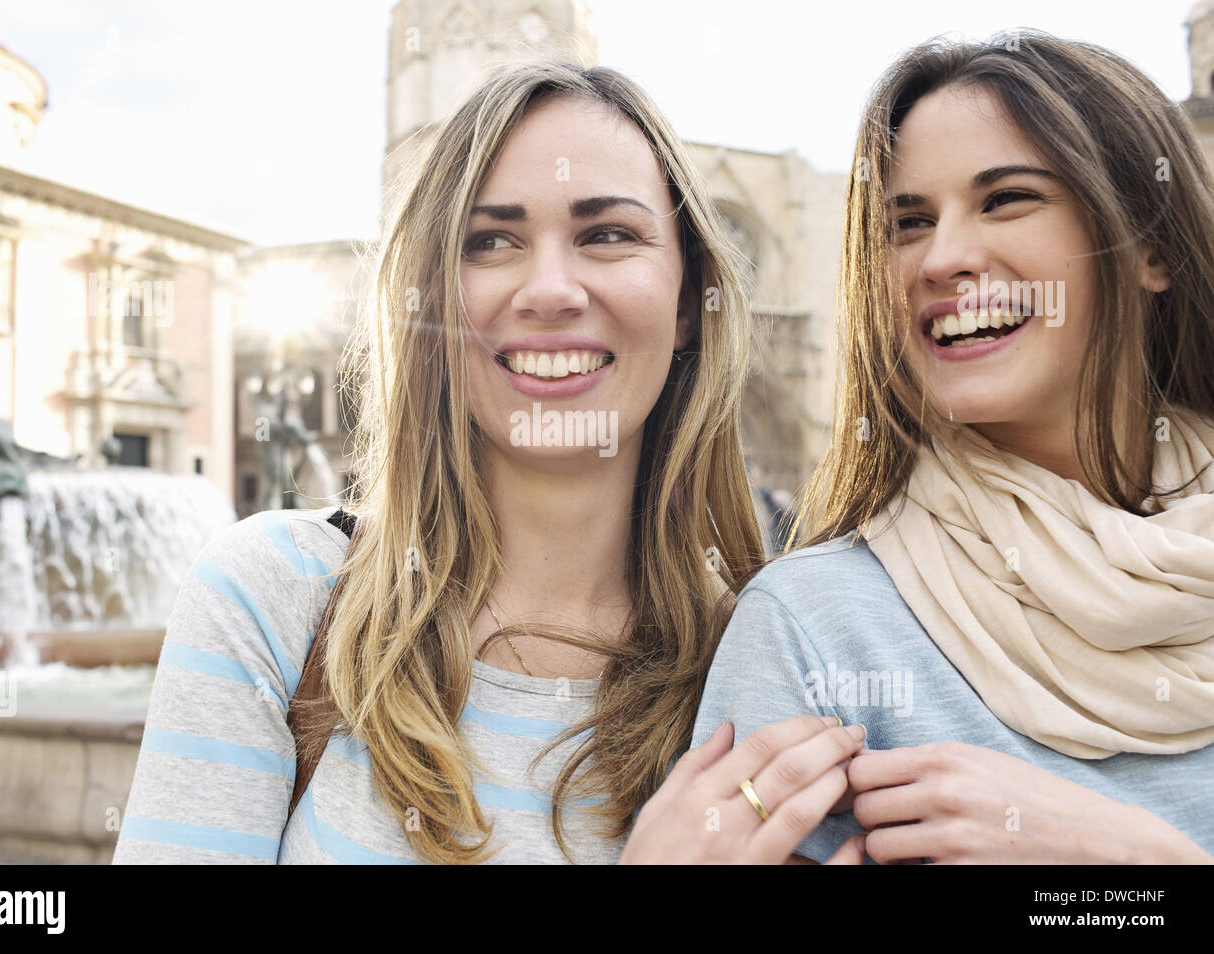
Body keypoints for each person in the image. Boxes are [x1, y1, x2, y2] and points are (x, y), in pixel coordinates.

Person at [113, 61, 863, 865]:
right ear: (430, 299)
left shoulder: (784, 661)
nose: (549, 291)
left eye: (607, 234)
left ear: (689, 302)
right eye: (490, 241)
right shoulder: (271, 600)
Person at [693, 31, 1214, 863]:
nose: (941, 258)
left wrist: (1132, 862)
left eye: (1006, 198)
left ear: (1151, 246)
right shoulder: (813, 632)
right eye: (908, 222)